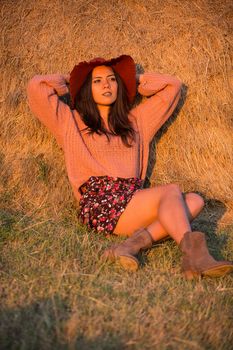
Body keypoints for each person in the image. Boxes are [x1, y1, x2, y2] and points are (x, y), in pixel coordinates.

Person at [27, 54, 233, 279]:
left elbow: (172, 86)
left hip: (132, 200)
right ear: (87, 88)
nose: (106, 84)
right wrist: (71, 81)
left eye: (112, 79)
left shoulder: (137, 122)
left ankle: (129, 247)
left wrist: (130, 79)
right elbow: (37, 87)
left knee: (195, 201)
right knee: (171, 190)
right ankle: (195, 256)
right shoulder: (71, 122)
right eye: (97, 81)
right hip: (100, 204)